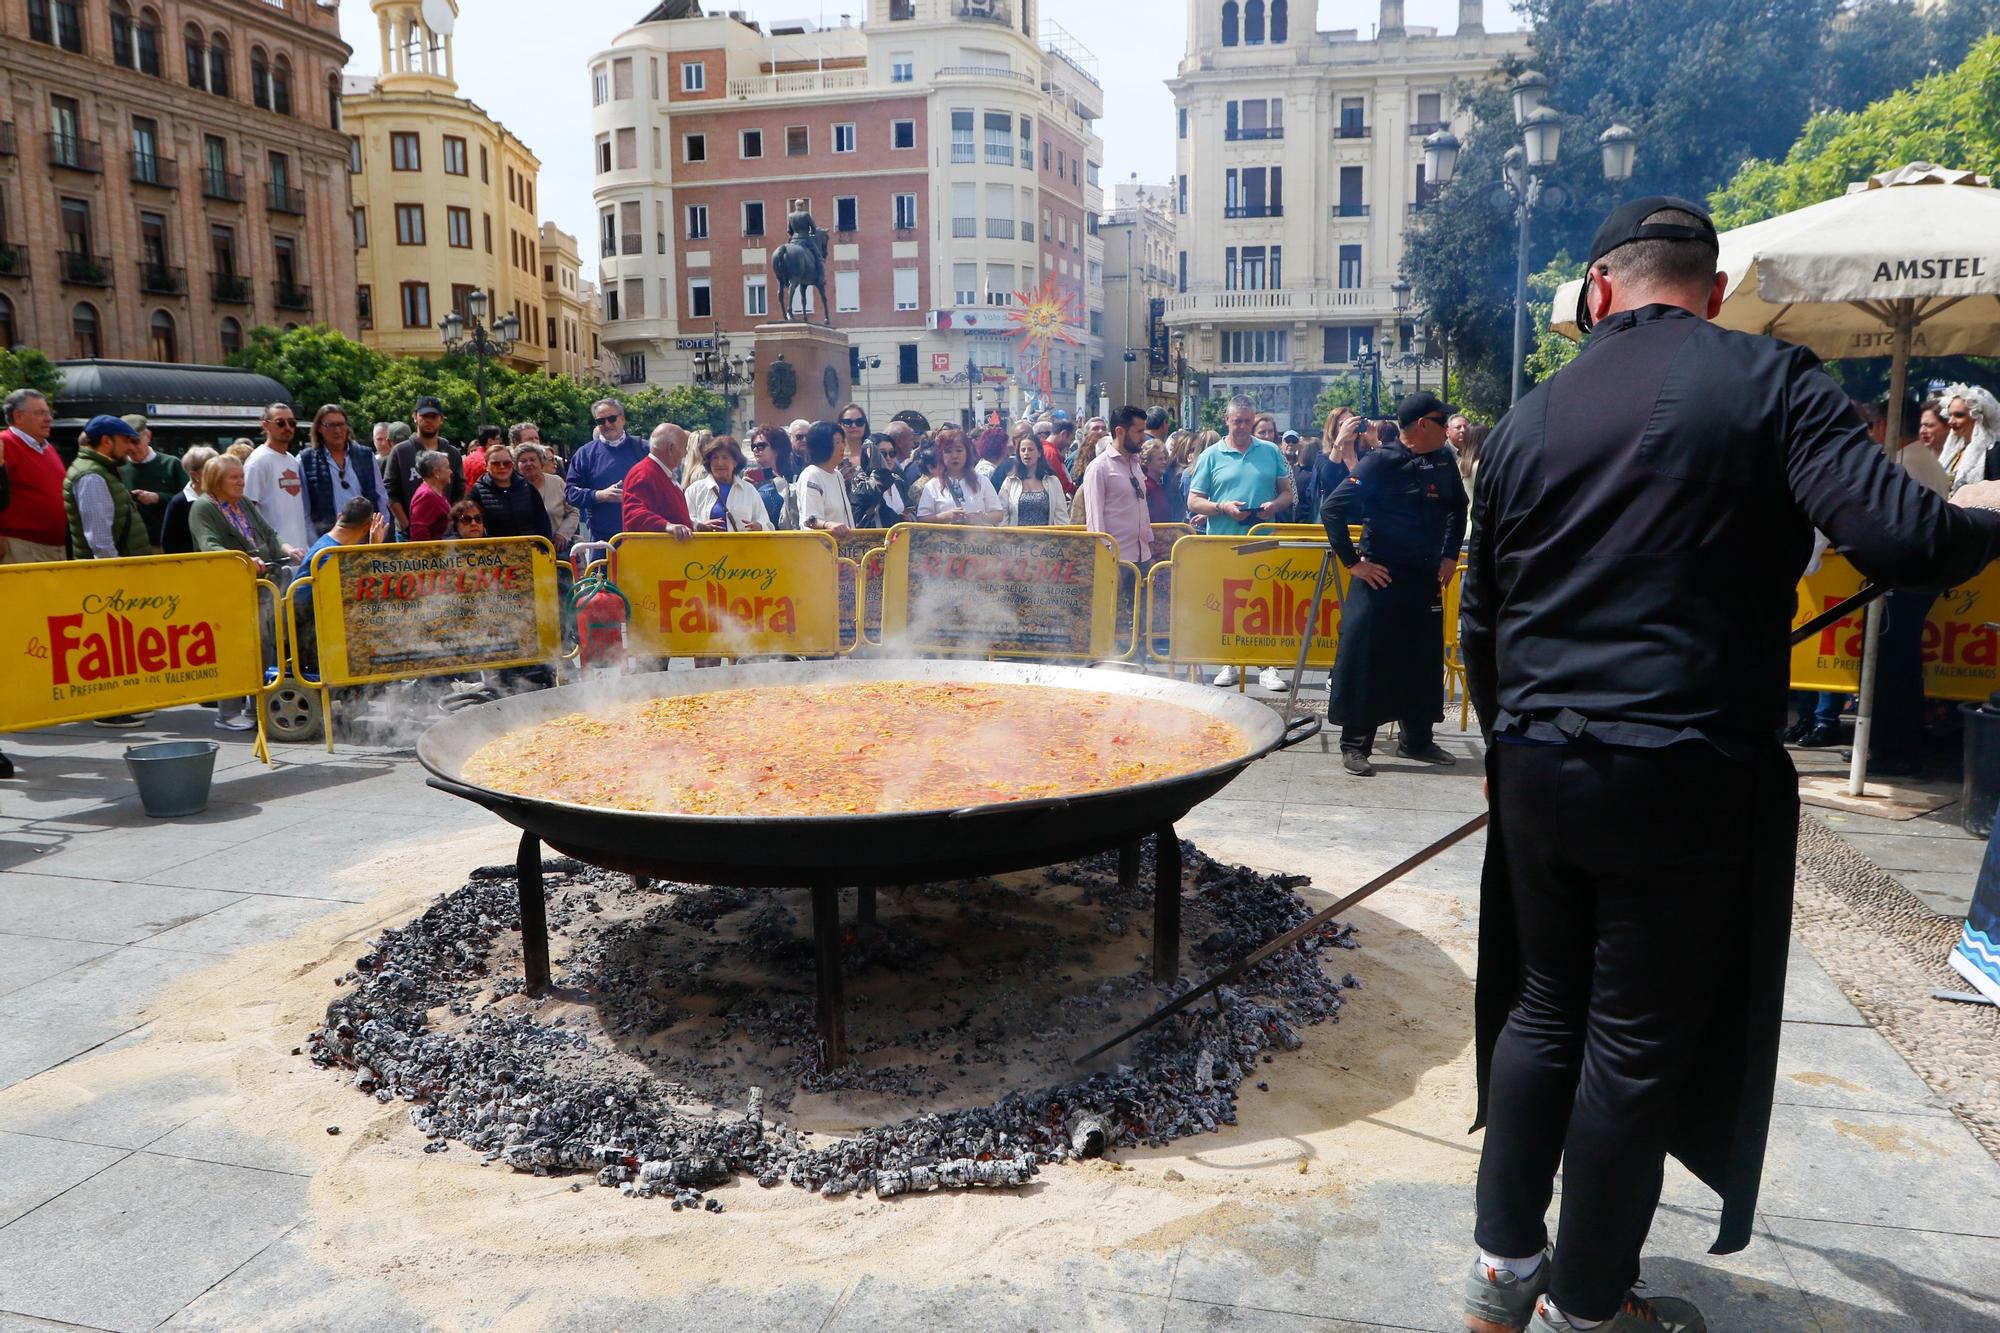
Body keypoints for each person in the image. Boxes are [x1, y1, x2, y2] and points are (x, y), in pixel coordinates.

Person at [1457, 197, 2000, 1333]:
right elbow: (1901, 540)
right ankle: (1589, 1306)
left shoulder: (1524, 416)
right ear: (1708, 292)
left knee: (1542, 1008)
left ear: (1598, 290)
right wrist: (1982, 508)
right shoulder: (1769, 378)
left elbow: (1480, 620)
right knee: (1630, 1039)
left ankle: (1504, 1270)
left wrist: (1518, 747)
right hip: (1682, 765)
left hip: (1535, 758)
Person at [1321, 392, 1466, 776]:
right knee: (1368, 660)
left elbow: (1459, 506)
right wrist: (1354, 564)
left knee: (1421, 659)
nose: (1449, 429)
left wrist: (1451, 554)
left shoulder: (1442, 459)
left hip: (1424, 577)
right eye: (1442, 421)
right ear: (1423, 425)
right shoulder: (1381, 462)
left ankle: (1416, 740)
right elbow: (1332, 509)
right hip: (1381, 577)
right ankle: (1355, 746)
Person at [190, 453, 295, 732]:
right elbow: (208, 545)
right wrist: (243, 559)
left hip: (262, 585)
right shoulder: (203, 508)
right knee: (235, 649)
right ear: (216, 480)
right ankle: (227, 713)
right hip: (229, 589)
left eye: (241, 476)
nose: (241, 481)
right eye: (234, 477)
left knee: (264, 644)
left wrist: (287, 549)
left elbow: (269, 533)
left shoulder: (244, 503)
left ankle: (254, 705)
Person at [65, 415, 152, 562]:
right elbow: (100, 541)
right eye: (125, 441)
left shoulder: (100, 471)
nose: (130, 447)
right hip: (115, 574)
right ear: (106, 441)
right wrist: (116, 572)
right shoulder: (92, 476)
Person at [564, 399, 648, 542]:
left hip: (642, 536)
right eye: (601, 421)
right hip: (602, 539)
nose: (607, 424)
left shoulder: (645, 449)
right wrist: (600, 495)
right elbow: (570, 493)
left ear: (622, 419)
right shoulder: (585, 454)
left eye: (612, 419)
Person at [1079, 406, 1153, 567]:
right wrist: (1106, 561)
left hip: (1143, 557)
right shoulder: (1099, 468)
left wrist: (1148, 546)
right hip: (1117, 560)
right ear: (1120, 431)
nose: (1144, 437)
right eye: (1139, 432)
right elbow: (1094, 522)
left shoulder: (1135, 464)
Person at [299, 403, 386, 539]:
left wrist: (381, 531)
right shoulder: (306, 460)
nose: (337, 430)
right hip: (329, 540)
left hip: (366, 536)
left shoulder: (365, 455)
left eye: (341, 424)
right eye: (331, 425)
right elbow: (305, 510)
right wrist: (315, 544)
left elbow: (381, 497)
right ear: (319, 428)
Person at [0, 388, 67, 565]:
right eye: (40, 413)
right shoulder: (4, 444)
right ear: (18, 416)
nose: (49, 418)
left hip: (54, 547)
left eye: (48, 412)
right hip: (19, 547)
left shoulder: (47, 448)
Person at [385, 397, 464, 536]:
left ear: (441, 419)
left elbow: (459, 490)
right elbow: (391, 493)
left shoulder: (452, 453)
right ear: (415, 416)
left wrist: (451, 523)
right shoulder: (400, 451)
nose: (429, 420)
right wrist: (407, 526)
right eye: (424, 416)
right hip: (407, 531)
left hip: (444, 531)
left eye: (433, 416)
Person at [243, 403, 315, 555]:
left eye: (292, 423)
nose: (287, 427)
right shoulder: (257, 461)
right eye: (280, 423)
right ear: (265, 425)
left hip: (299, 551)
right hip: (276, 554)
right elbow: (247, 510)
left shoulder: (293, 460)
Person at [117, 415, 186, 553]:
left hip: (166, 542)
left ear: (148, 436)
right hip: (131, 546)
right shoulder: (118, 468)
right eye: (126, 442)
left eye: (136, 441)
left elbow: (188, 500)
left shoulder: (171, 464)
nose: (131, 448)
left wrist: (158, 497)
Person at [620, 423, 695, 538]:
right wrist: (667, 526)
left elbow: (670, 513)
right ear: (671, 448)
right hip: (653, 552)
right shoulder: (644, 473)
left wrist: (694, 525)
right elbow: (633, 514)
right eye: (684, 447)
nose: (685, 453)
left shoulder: (659, 473)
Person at [917, 427, 1004, 524]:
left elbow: (998, 514)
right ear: (941, 455)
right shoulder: (932, 486)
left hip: (977, 538)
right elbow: (922, 518)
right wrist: (945, 516)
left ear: (967, 453)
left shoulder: (982, 481)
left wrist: (982, 517)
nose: (954, 455)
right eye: (948, 451)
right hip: (943, 538)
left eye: (959, 450)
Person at [684, 434, 768, 532]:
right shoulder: (695, 490)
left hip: (742, 547)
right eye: (715, 458)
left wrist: (759, 526)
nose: (720, 463)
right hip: (706, 546)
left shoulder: (749, 490)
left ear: (735, 462)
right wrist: (698, 525)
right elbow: (684, 520)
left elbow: (766, 523)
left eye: (725, 457)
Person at [470, 442, 553, 541]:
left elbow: (542, 520)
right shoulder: (477, 491)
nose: (502, 467)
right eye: (495, 464)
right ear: (486, 465)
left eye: (507, 463)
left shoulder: (527, 486)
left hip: (529, 549)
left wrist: (543, 548)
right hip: (494, 552)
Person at [795, 419, 855, 537]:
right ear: (823, 446)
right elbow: (809, 520)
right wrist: (828, 525)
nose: (842, 446)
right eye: (837, 442)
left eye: (843, 441)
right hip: (820, 548)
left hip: (844, 548)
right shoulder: (811, 475)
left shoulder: (837, 475)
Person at [997, 432, 1070, 526]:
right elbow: (1003, 517)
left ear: (1039, 453)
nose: (1026, 453)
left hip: (1046, 539)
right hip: (1017, 539)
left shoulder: (1053, 481)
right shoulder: (1010, 482)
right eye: (1023, 450)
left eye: (1030, 449)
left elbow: (1061, 516)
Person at [515, 442, 577, 551]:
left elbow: (573, 512)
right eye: (523, 461)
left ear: (541, 462)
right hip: (525, 551)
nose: (529, 464)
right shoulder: (513, 487)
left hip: (558, 548)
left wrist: (563, 534)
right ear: (516, 465)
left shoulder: (557, 482)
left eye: (532, 460)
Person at [1941, 384, 2000, 492]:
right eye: (1950, 415)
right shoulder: (1956, 451)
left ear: (1978, 417)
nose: (1951, 421)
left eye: (1958, 415)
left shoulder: (1994, 452)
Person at [161, 445, 217, 555]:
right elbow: (169, 543)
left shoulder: (221, 497)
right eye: (211, 469)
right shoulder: (179, 503)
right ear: (195, 475)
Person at [851, 433, 912, 528]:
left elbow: (910, 506)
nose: (888, 458)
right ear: (870, 455)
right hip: (871, 539)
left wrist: (909, 517)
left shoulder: (898, 478)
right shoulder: (860, 478)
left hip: (898, 538)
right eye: (882, 454)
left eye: (892, 453)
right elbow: (870, 496)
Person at [743, 425, 792, 527]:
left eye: (761, 446)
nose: (756, 450)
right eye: (753, 446)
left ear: (777, 448)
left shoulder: (792, 476)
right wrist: (743, 489)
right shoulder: (750, 479)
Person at [407, 450, 456, 542]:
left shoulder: (437, 493)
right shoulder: (425, 496)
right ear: (436, 472)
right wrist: (433, 554)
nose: (451, 471)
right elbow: (419, 534)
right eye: (447, 467)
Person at [1141, 440, 1179, 522]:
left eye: (1165, 458)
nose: (1164, 462)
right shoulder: (1144, 486)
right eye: (1160, 459)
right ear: (1147, 462)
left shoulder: (1162, 485)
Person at [1042, 418, 1079, 497]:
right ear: (1064, 434)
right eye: (1071, 439)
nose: (1070, 444)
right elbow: (1062, 483)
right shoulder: (1050, 452)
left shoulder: (1045, 449)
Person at [463, 424, 502, 488]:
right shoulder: (488, 462)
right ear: (490, 441)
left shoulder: (468, 458)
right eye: (498, 439)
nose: (500, 442)